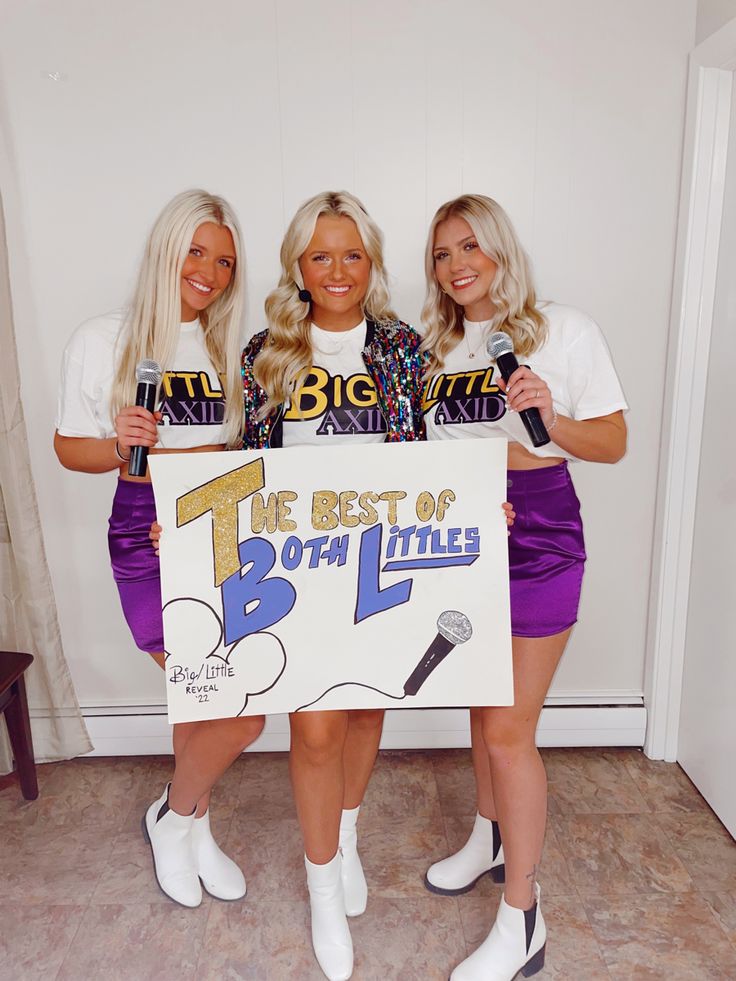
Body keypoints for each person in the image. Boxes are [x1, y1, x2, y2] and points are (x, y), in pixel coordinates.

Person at [420, 194, 627, 981]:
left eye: (470, 246)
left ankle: (524, 919)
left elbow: (612, 439)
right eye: (441, 254)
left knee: (510, 728)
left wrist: (550, 415)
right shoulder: (438, 345)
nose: (457, 265)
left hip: (540, 533)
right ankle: (489, 834)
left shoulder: (562, 329)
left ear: (501, 248)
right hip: (462, 533)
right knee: (480, 707)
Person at [54, 189, 264, 910]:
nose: (209, 271)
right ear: (167, 248)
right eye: (196, 251)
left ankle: (188, 822)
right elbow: (66, 447)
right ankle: (176, 815)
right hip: (145, 528)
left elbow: (239, 451)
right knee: (235, 706)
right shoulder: (104, 336)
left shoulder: (227, 346)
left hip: (219, 526)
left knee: (204, 700)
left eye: (225, 261)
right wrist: (119, 444)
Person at [240, 190, 424, 981]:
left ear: (371, 262)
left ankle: (346, 836)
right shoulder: (267, 350)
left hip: (379, 557)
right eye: (321, 255)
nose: (338, 270)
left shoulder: (401, 346)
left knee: (363, 708)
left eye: (352, 254)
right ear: (298, 266)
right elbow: (243, 467)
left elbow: (422, 459)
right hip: (297, 569)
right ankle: (322, 887)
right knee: (314, 728)